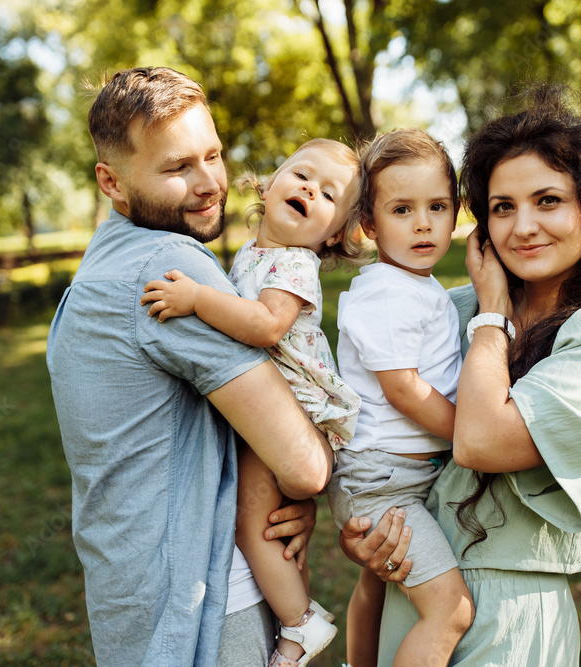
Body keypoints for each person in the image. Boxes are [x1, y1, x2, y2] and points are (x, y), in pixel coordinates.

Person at [340, 86, 581, 666]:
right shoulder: (451, 309)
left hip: (509, 620)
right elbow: (360, 404)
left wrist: (493, 314)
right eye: (502, 207)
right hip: (414, 584)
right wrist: (360, 526)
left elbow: (479, 440)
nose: (523, 227)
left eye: (547, 200)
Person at [46, 66, 333, 667]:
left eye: (214, 155)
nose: (209, 184)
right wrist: (304, 486)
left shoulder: (98, 267)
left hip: (126, 599)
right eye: (178, 168)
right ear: (111, 182)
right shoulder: (168, 265)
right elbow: (304, 465)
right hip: (206, 604)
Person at [140, 137, 364, 666]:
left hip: (295, 408)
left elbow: (265, 326)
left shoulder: (294, 264)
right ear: (268, 182)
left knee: (252, 522)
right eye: (302, 175)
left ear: (334, 235)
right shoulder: (254, 253)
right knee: (272, 524)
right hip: (271, 406)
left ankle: (301, 623)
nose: (310, 189)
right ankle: (295, 618)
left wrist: (196, 299)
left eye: (329, 195)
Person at [326, 129, 475, 667]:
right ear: (369, 223)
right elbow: (405, 390)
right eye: (402, 209)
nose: (423, 224)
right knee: (450, 611)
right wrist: (472, 432)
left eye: (438, 206)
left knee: (374, 588)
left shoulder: (417, 286)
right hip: (384, 482)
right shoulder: (387, 293)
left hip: (392, 475)